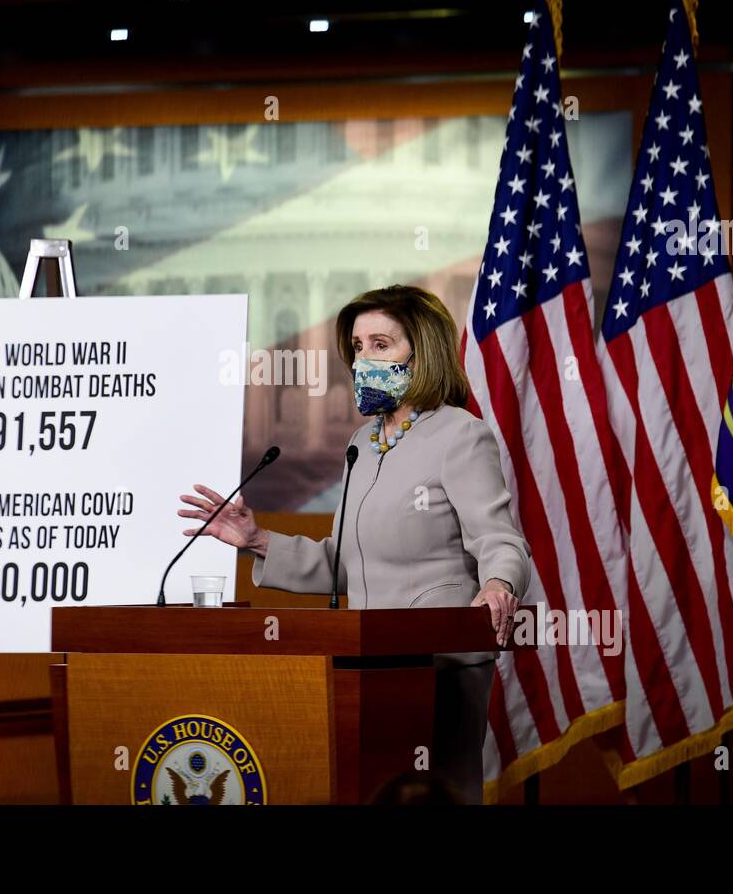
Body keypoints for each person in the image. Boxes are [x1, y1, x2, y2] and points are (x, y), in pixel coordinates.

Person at [178, 284, 531, 804]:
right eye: (359, 347)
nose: (364, 358)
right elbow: (344, 566)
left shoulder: (460, 435)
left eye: (381, 344)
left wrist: (499, 583)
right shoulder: (363, 445)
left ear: (423, 352)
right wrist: (256, 539)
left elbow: (500, 540)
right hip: (365, 666)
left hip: (437, 669)